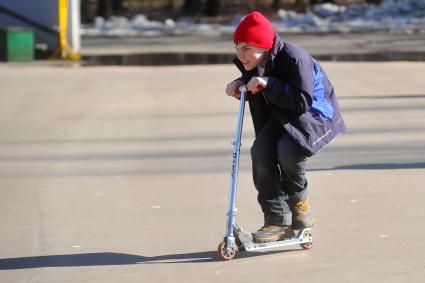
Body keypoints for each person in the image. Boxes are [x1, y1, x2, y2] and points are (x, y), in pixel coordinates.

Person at [225, 11, 346, 243]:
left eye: (246, 48)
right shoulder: (256, 60)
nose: (241, 55)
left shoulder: (294, 59)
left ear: (263, 44)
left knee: (288, 151)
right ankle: (276, 219)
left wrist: (267, 84)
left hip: (314, 113)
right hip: (285, 114)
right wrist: (242, 84)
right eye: (238, 49)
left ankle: (301, 209)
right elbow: (261, 86)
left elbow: (301, 101)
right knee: (261, 150)